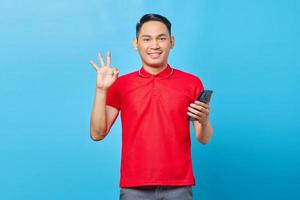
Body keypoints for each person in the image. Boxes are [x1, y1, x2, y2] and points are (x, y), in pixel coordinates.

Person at [89, 13, 213, 200]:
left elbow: (203, 138)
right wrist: (100, 90)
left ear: (172, 42)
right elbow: (97, 133)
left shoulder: (192, 83)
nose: (154, 45)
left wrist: (204, 122)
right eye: (147, 39)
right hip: (134, 186)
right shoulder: (121, 84)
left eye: (161, 38)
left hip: (178, 185)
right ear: (135, 43)